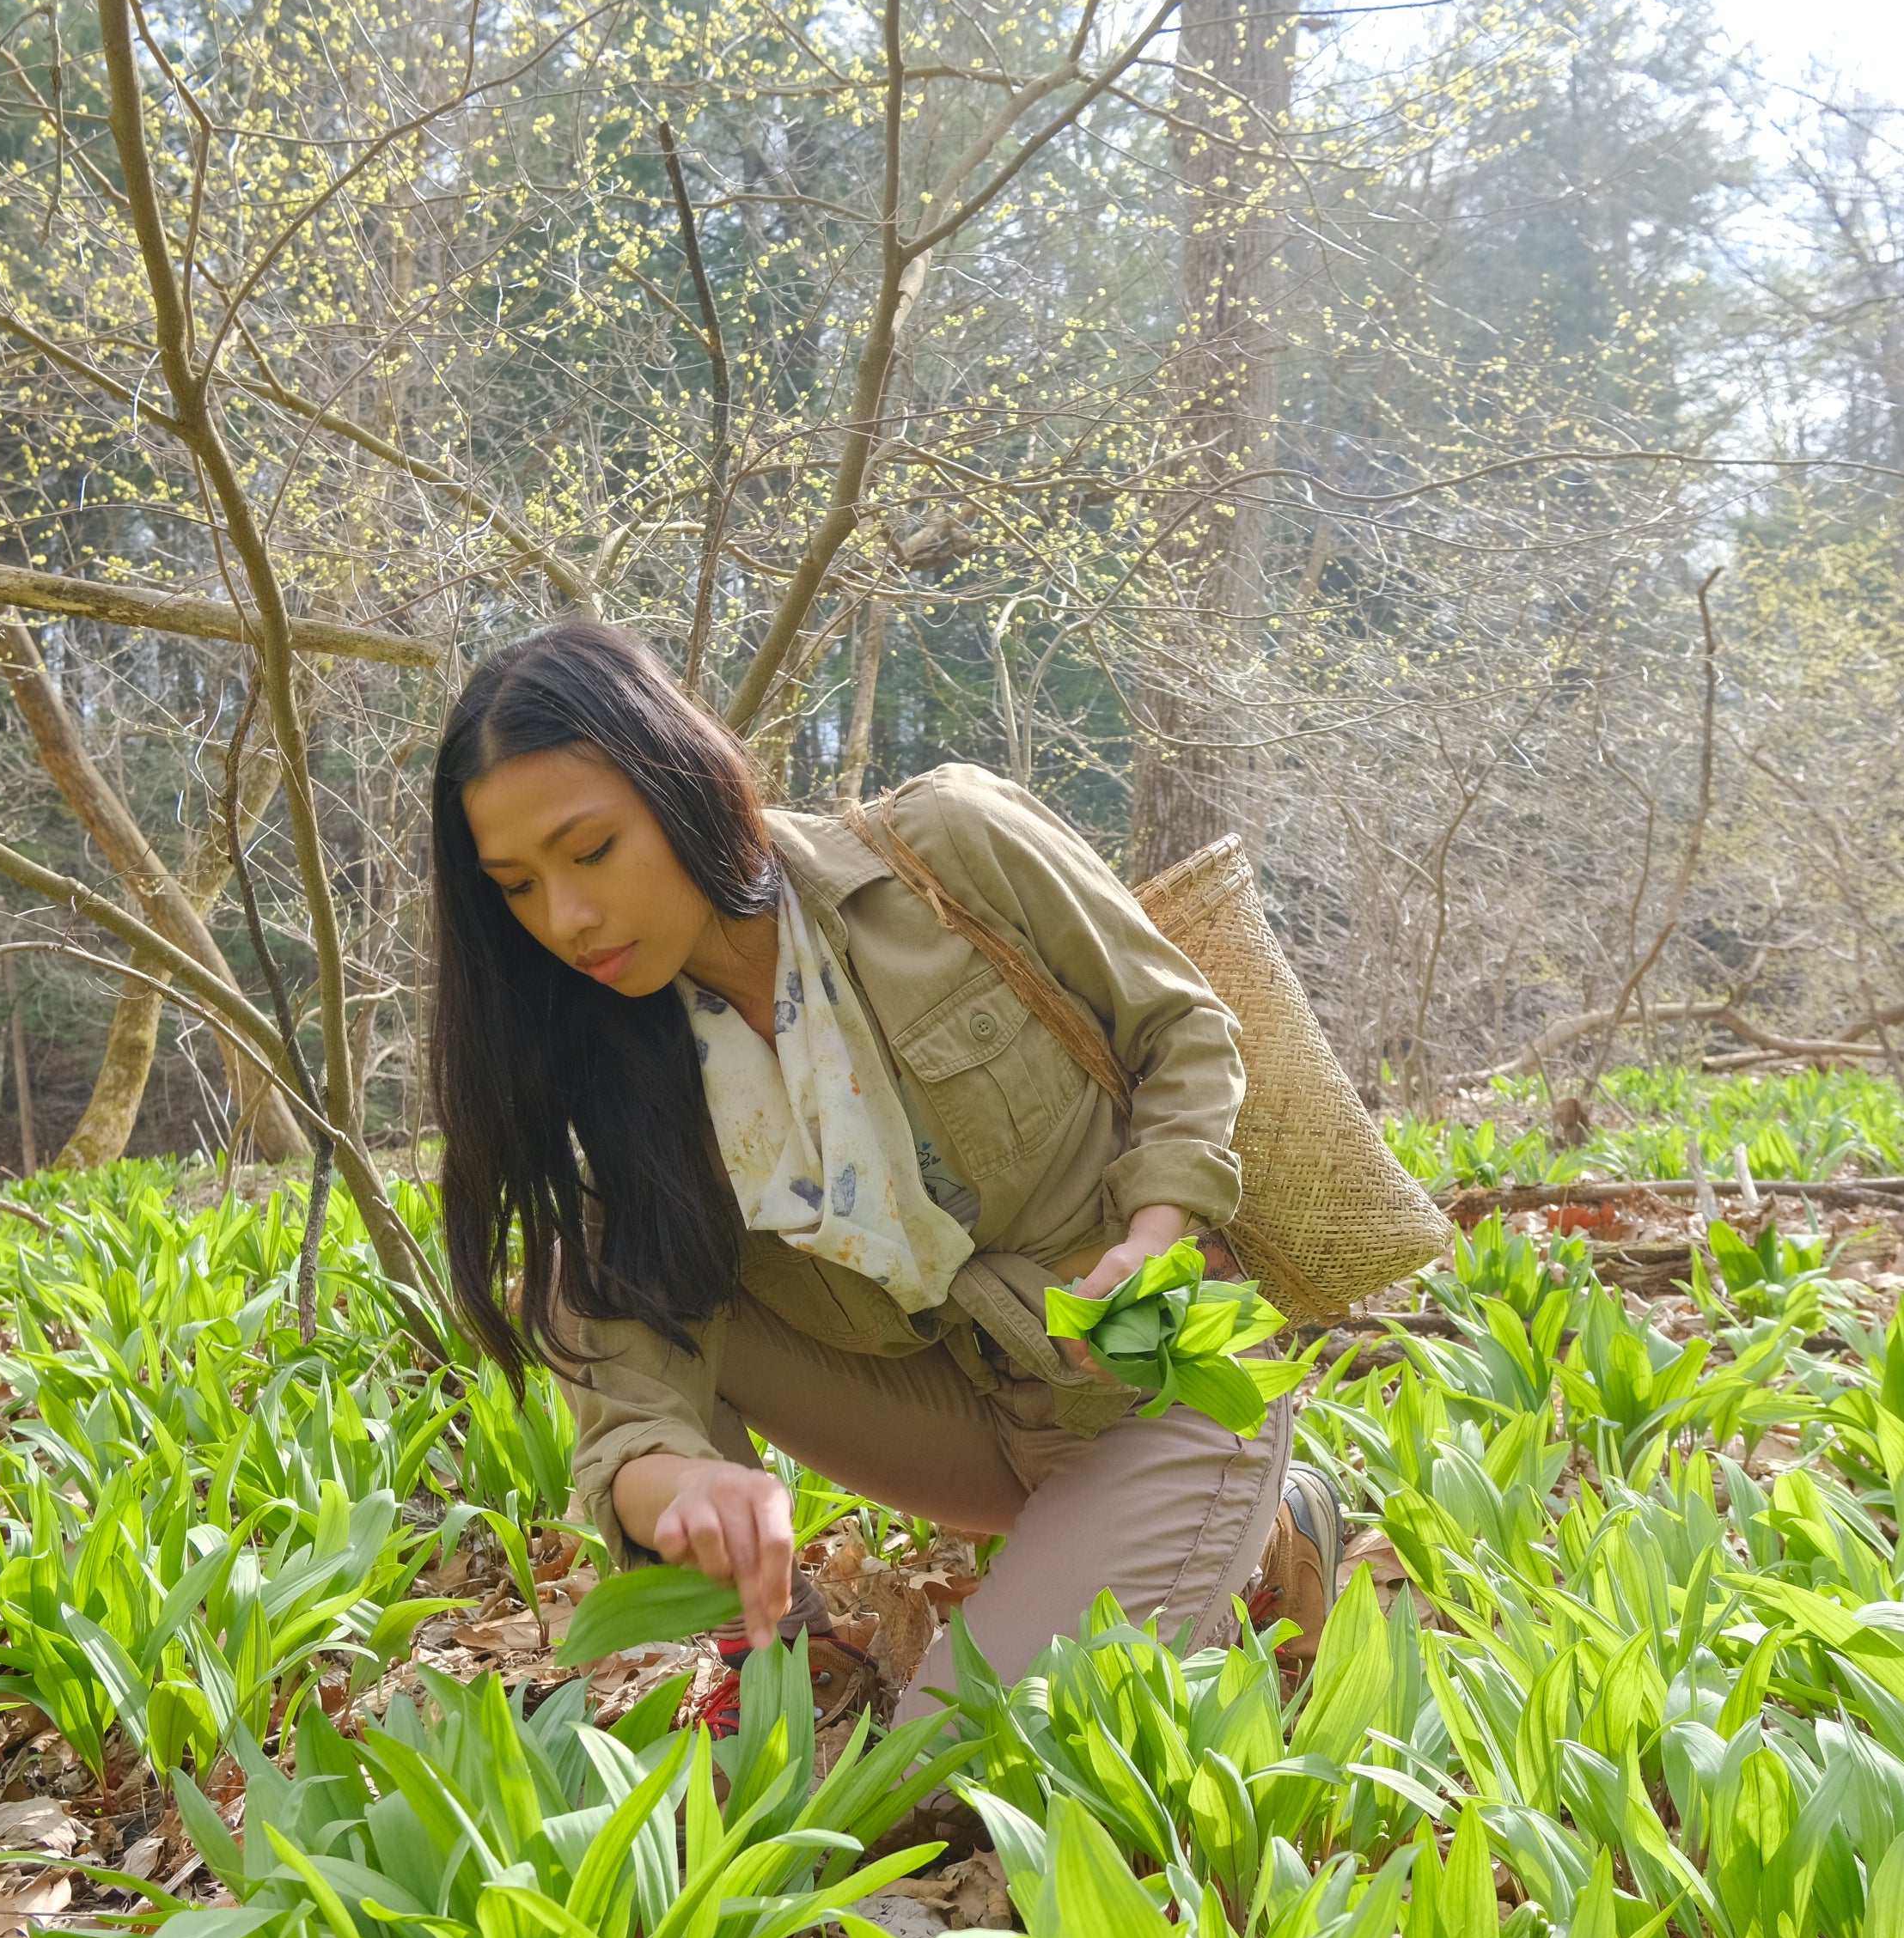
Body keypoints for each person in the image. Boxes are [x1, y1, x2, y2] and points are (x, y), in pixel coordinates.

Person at [430, 618, 1340, 1717]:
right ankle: (782, 1661)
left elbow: (1181, 1030)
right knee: (600, 1268)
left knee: (959, 1765)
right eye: (517, 887)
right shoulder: (617, 1076)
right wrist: (684, 1486)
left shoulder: (947, 849)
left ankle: (1270, 1519)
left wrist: (1156, 1234)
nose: (566, 918)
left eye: (590, 851)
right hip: (964, 1418)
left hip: (1155, 1379)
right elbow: (633, 1393)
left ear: (679, 785)